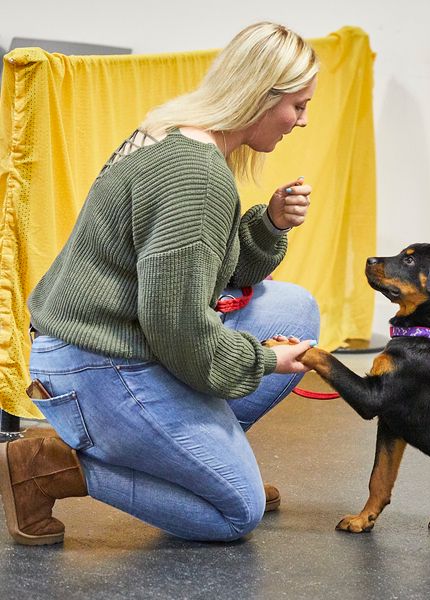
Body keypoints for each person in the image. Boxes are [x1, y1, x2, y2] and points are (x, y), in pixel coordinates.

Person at [0, 22, 321, 545]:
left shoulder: (175, 133)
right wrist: (262, 360)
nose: (303, 121)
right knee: (237, 512)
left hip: (103, 341)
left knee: (293, 307)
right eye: (298, 106)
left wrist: (270, 225)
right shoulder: (197, 176)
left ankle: (198, 468)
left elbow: (201, 276)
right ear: (261, 95)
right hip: (97, 362)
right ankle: (43, 467)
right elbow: (177, 325)